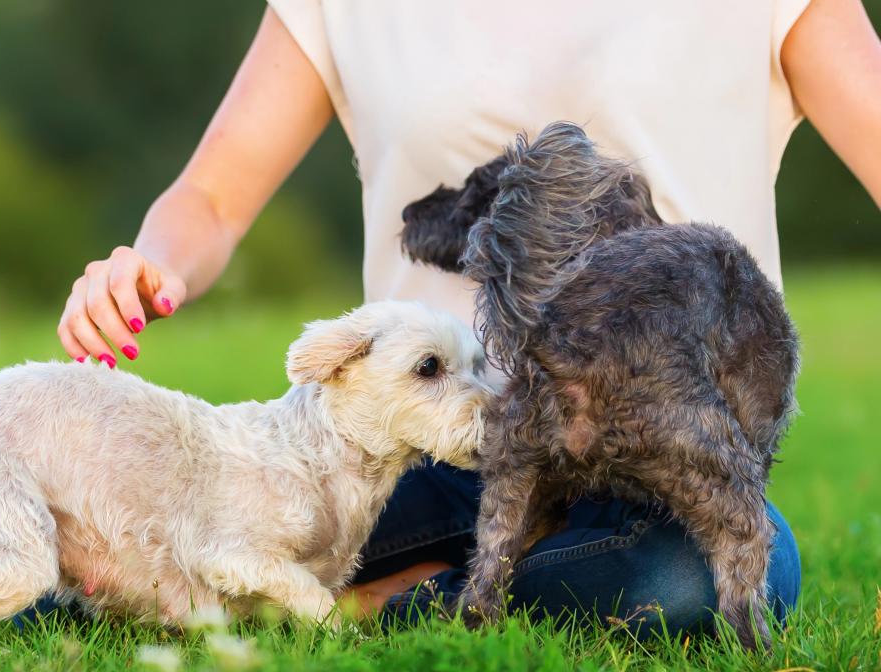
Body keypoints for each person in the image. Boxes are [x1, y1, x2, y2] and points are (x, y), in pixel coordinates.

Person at [54, 1, 881, 635]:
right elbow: (212, 197)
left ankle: (387, 603)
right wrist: (151, 265)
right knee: (86, 557)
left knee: (693, 582)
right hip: (417, 445)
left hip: (658, 451)